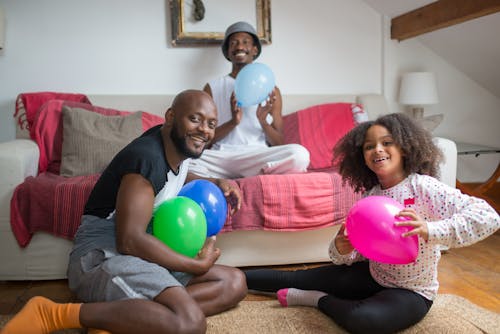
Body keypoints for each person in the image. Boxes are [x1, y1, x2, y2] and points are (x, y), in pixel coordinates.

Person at [2, 90, 247, 334]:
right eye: (195, 119)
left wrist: (215, 181)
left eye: (211, 124)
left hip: (142, 254)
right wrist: (196, 266)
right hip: (104, 255)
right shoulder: (147, 158)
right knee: (189, 323)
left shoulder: (173, 147)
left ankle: (118, 318)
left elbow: (170, 178)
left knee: (234, 283)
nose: (204, 129)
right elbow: (129, 240)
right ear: (171, 116)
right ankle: (53, 314)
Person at [244, 113, 500, 334]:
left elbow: (488, 217)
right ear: (362, 157)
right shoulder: (370, 197)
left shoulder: (423, 187)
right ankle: (228, 276)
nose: (377, 149)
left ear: (405, 149)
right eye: (369, 146)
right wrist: (341, 247)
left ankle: (317, 301)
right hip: (371, 275)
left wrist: (430, 229)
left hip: (412, 291)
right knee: (299, 277)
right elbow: (352, 255)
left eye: (387, 143)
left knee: (363, 320)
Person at [188, 21, 310, 179]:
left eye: (245, 42)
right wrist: (233, 122)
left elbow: (279, 143)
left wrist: (263, 121)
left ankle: (252, 172)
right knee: (185, 159)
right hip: (222, 156)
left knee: (300, 155)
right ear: (228, 51)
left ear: (255, 50)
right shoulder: (212, 87)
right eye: (234, 43)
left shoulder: (271, 90)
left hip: (256, 155)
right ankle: (256, 175)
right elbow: (205, 139)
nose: (239, 47)